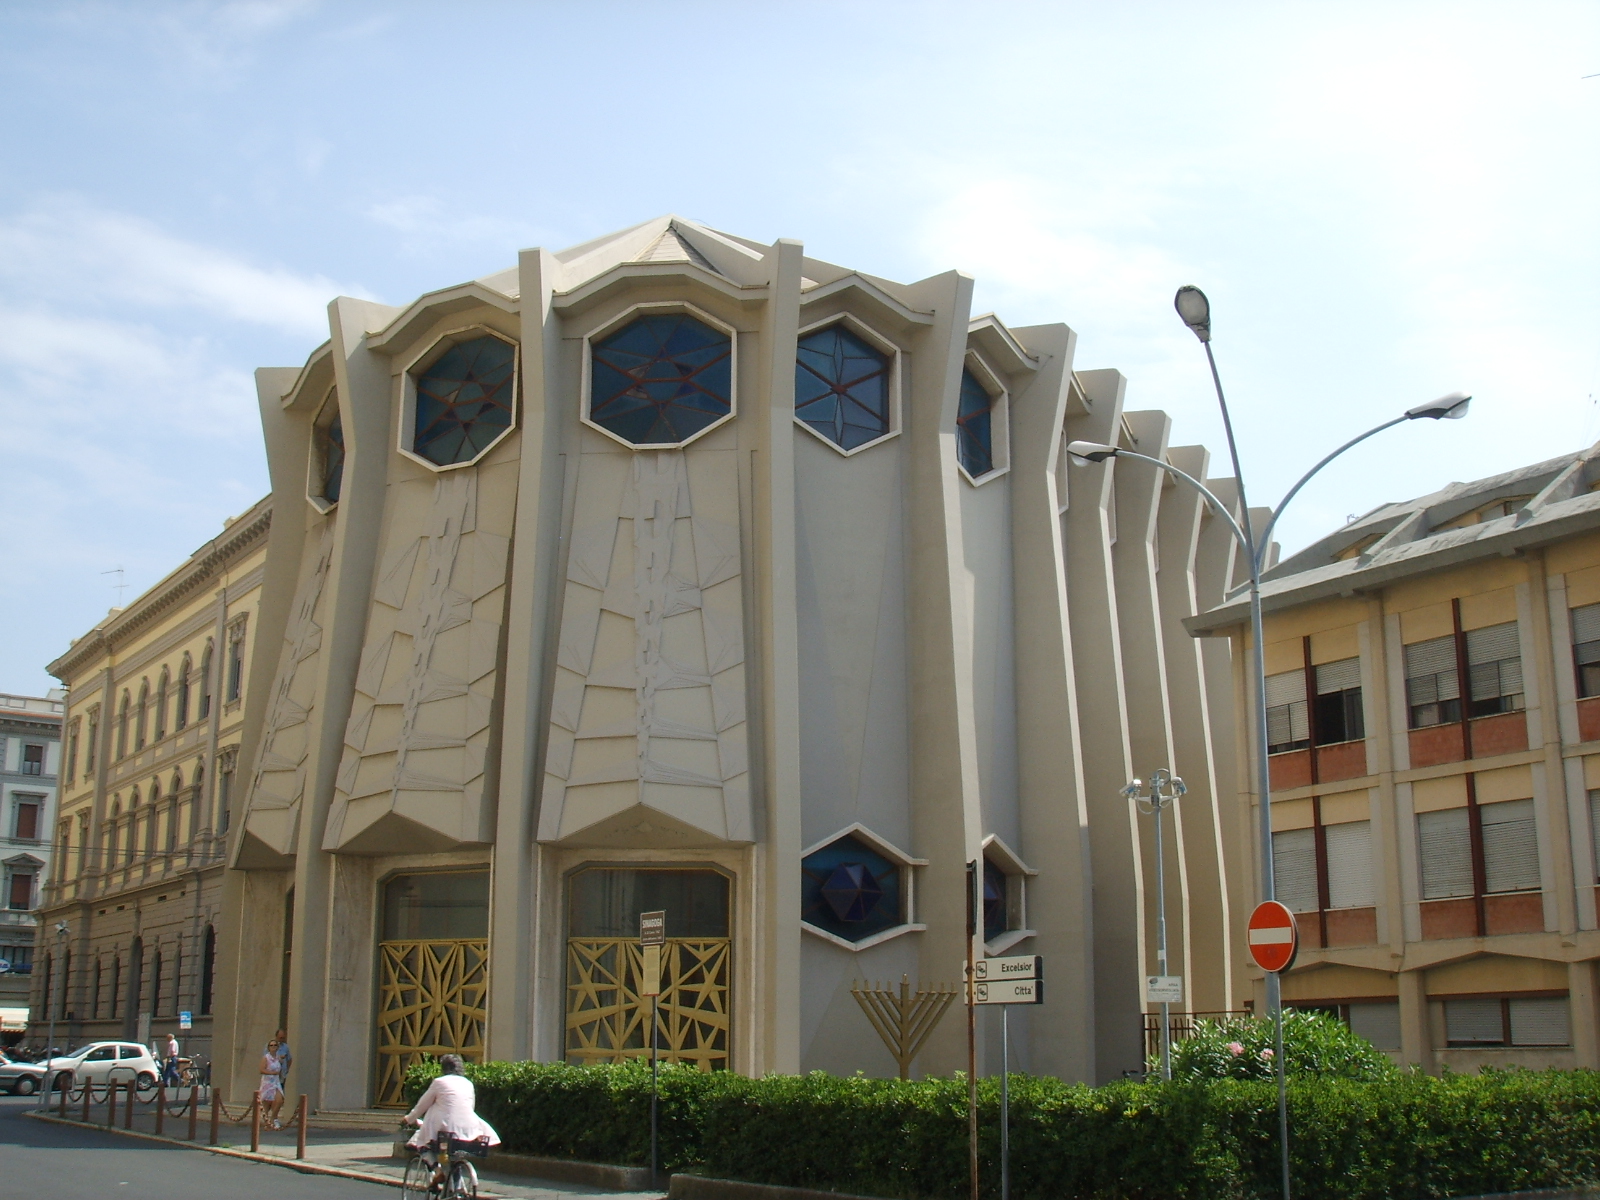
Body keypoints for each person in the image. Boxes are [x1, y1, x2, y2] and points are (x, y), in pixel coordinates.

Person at [402, 1055, 499, 1188]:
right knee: (454, 1157)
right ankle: (457, 1190)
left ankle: (437, 1170)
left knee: (423, 1144)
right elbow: (471, 1107)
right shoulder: (468, 1083)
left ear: (443, 1068)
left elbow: (422, 1105)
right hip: (468, 1130)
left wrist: (409, 1119)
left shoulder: (439, 1082)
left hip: (444, 1130)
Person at [257, 1040, 286, 1130]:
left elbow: (281, 1066)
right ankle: (267, 1124)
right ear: (268, 1047)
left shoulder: (278, 1058)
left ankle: (273, 1118)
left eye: (275, 1045)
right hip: (267, 1082)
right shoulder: (265, 1058)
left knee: (279, 1099)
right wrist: (272, 1073)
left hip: (276, 1082)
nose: (273, 1047)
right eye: (271, 1045)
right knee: (266, 1104)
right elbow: (261, 1070)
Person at [273, 1028, 292, 1093]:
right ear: (276, 1037)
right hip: (272, 1075)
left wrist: (286, 1070)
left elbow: (289, 1059)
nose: (281, 1040)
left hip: (282, 1074)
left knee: (280, 1091)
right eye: (280, 1038)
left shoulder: (285, 1047)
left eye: (283, 1038)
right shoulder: (270, 1046)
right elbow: (266, 1058)